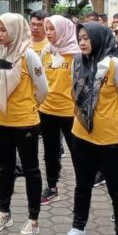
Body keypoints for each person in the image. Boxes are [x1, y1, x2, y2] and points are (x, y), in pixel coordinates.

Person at [59, 22, 118, 235]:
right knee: (82, 184)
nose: (82, 42)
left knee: (117, 189)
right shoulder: (77, 62)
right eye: (80, 38)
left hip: (110, 137)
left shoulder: (114, 65)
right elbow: (74, 92)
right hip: (81, 133)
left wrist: (112, 119)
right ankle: (78, 229)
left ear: (99, 39)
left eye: (87, 38)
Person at [0, 13, 48, 235]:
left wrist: (29, 106)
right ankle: (4, 212)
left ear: (15, 29)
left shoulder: (28, 54)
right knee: (5, 168)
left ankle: (33, 219)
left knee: (31, 170)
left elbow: (43, 89)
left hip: (25, 122)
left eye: (4, 29)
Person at [37, 15, 80, 205]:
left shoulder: (76, 54)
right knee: (50, 152)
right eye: (46, 28)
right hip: (47, 109)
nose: (48, 33)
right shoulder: (46, 51)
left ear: (63, 30)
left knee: (78, 152)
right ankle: (52, 187)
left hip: (70, 112)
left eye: (52, 29)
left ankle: (83, 186)